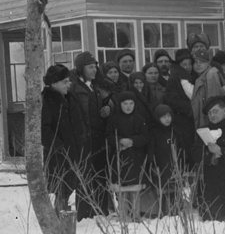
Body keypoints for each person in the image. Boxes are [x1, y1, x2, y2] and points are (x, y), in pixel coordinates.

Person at [41, 64, 90, 214]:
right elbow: (44, 129)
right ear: (53, 83)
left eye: (69, 81)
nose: (68, 84)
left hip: (74, 151)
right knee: (60, 187)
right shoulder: (47, 101)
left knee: (69, 186)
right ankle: (60, 215)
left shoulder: (69, 98)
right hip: (59, 155)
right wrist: (58, 147)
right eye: (64, 82)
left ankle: (63, 213)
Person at [69, 51, 111, 219]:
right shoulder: (74, 87)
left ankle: (101, 211)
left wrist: (109, 108)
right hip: (84, 138)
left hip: (98, 137)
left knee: (100, 175)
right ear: (81, 68)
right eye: (90, 67)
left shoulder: (95, 86)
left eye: (95, 67)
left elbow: (109, 101)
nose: (94, 70)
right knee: (84, 176)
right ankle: (84, 214)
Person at [105, 91, 150, 186]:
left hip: (136, 160)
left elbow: (145, 137)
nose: (128, 106)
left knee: (136, 191)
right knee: (122, 191)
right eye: (125, 103)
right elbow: (108, 135)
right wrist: (120, 140)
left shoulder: (140, 119)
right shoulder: (114, 119)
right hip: (119, 158)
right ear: (120, 104)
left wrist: (132, 141)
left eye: (131, 103)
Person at [165, 48, 196, 163]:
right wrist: (190, 108)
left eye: (189, 64)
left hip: (191, 121)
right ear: (178, 65)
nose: (187, 67)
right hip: (181, 120)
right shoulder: (174, 79)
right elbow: (172, 100)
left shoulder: (191, 78)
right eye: (184, 64)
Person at [148, 104, 185, 192]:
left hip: (175, 168)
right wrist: (153, 165)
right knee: (163, 194)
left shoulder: (175, 130)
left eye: (168, 116)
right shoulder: (154, 132)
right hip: (161, 168)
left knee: (176, 194)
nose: (167, 119)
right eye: (163, 116)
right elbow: (150, 150)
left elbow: (182, 148)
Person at [191, 48, 225, 130]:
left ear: (208, 63)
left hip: (211, 122)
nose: (198, 65)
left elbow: (213, 103)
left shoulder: (211, 75)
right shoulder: (201, 78)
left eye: (201, 62)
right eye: (196, 62)